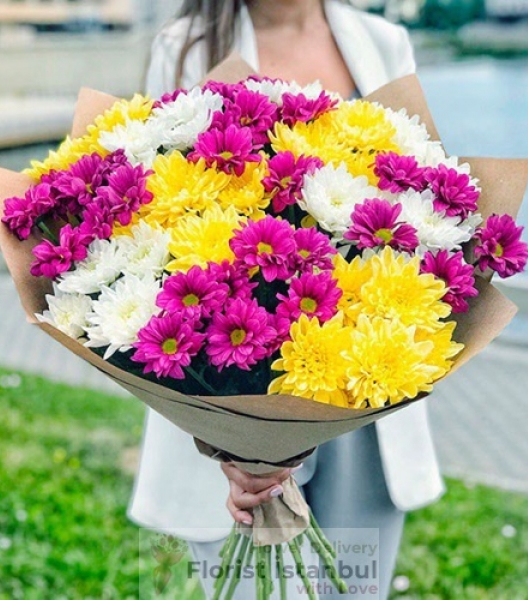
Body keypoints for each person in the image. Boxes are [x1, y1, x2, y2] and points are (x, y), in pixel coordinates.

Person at [129, 1, 444, 597]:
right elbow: (151, 230)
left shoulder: (384, 41)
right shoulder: (183, 46)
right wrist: (229, 444)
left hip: (366, 402)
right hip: (226, 400)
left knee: (355, 588)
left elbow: (426, 209)